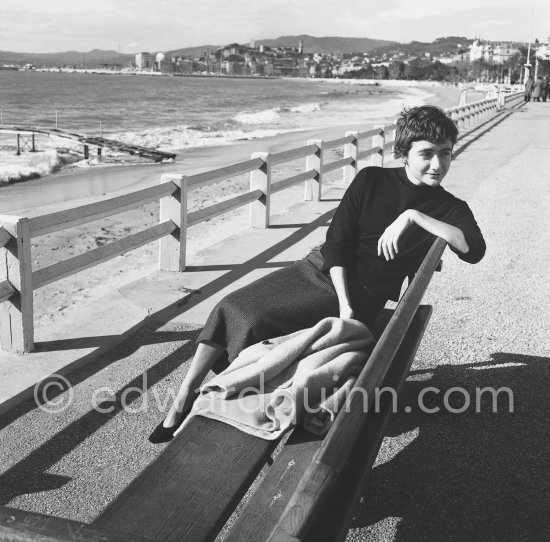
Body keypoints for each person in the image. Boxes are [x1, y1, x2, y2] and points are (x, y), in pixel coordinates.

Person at [149, 105, 486, 444]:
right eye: (426, 154)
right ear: (404, 153)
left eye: (445, 154)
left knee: (254, 319)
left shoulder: (449, 207)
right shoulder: (372, 180)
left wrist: (414, 216)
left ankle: (233, 402)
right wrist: (344, 305)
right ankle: (183, 398)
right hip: (321, 274)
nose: (437, 164)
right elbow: (337, 243)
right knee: (231, 305)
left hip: (363, 296)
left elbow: (474, 250)